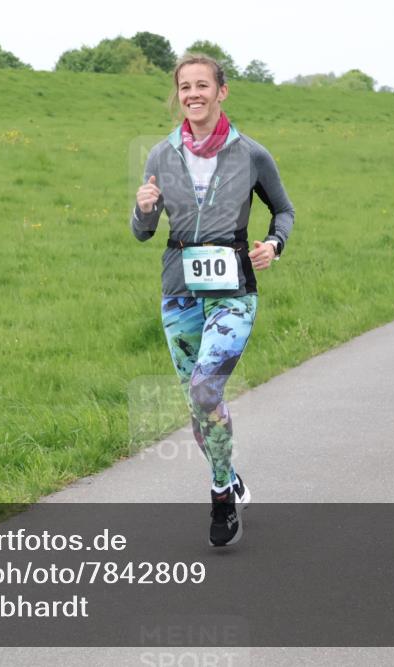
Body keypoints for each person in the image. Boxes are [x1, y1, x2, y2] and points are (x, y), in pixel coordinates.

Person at [130, 54, 294, 547]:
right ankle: (229, 472)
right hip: (179, 293)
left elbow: (283, 210)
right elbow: (143, 232)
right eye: (185, 87)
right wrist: (142, 211)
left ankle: (221, 495)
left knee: (206, 391)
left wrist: (274, 244)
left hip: (232, 293)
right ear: (178, 95)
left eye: (203, 85)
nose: (194, 94)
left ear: (222, 92)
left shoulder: (251, 154)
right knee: (199, 406)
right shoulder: (161, 155)